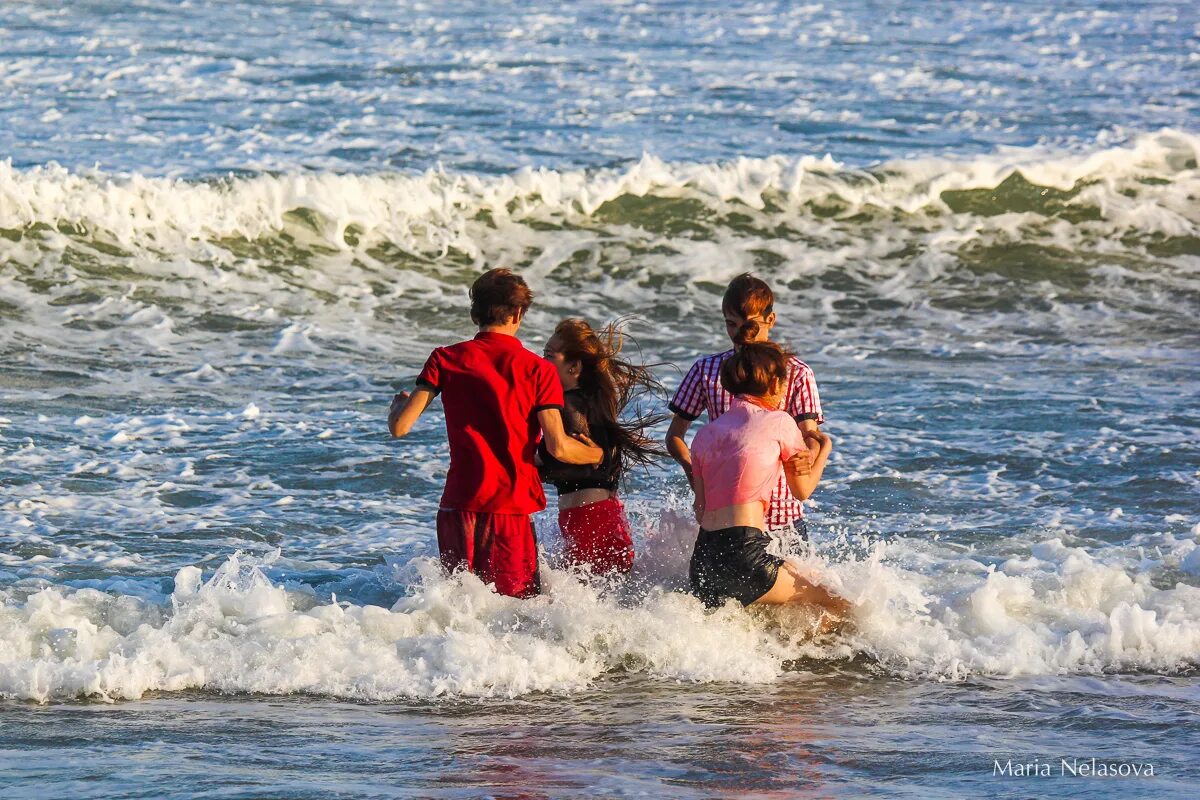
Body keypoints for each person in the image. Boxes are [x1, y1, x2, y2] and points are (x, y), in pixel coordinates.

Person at [387, 268, 603, 598]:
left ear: (476, 312)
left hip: (457, 507)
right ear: (517, 313)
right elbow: (558, 446)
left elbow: (401, 427)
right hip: (509, 509)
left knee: (458, 609)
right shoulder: (538, 369)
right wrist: (596, 454)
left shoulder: (445, 358)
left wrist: (394, 410)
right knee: (516, 612)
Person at [688, 326, 849, 625]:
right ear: (775, 383)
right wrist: (824, 448)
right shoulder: (780, 422)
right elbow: (802, 491)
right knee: (838, 601)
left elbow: (701, 509)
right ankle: (857, 664)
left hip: (703, 564)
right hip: (746, 557)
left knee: (776, 619)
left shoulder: (703, 435)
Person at [666, 273, 824, 543]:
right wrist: (695, 473)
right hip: (726, 515)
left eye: (748, 323)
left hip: (783, 518)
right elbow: (674, 436)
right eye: (730, 324)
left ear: (770, 320)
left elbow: (810, 435)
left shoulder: (797, 373)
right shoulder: (706, 370)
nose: (739, 333)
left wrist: (809, 455)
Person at [538, 318, 665, 574]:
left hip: (589, 519)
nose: (541, 363)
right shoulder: (592, 402)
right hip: (598, 515)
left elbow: (561, 457)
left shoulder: (569, 405)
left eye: (549, 356)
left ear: (574, 367)